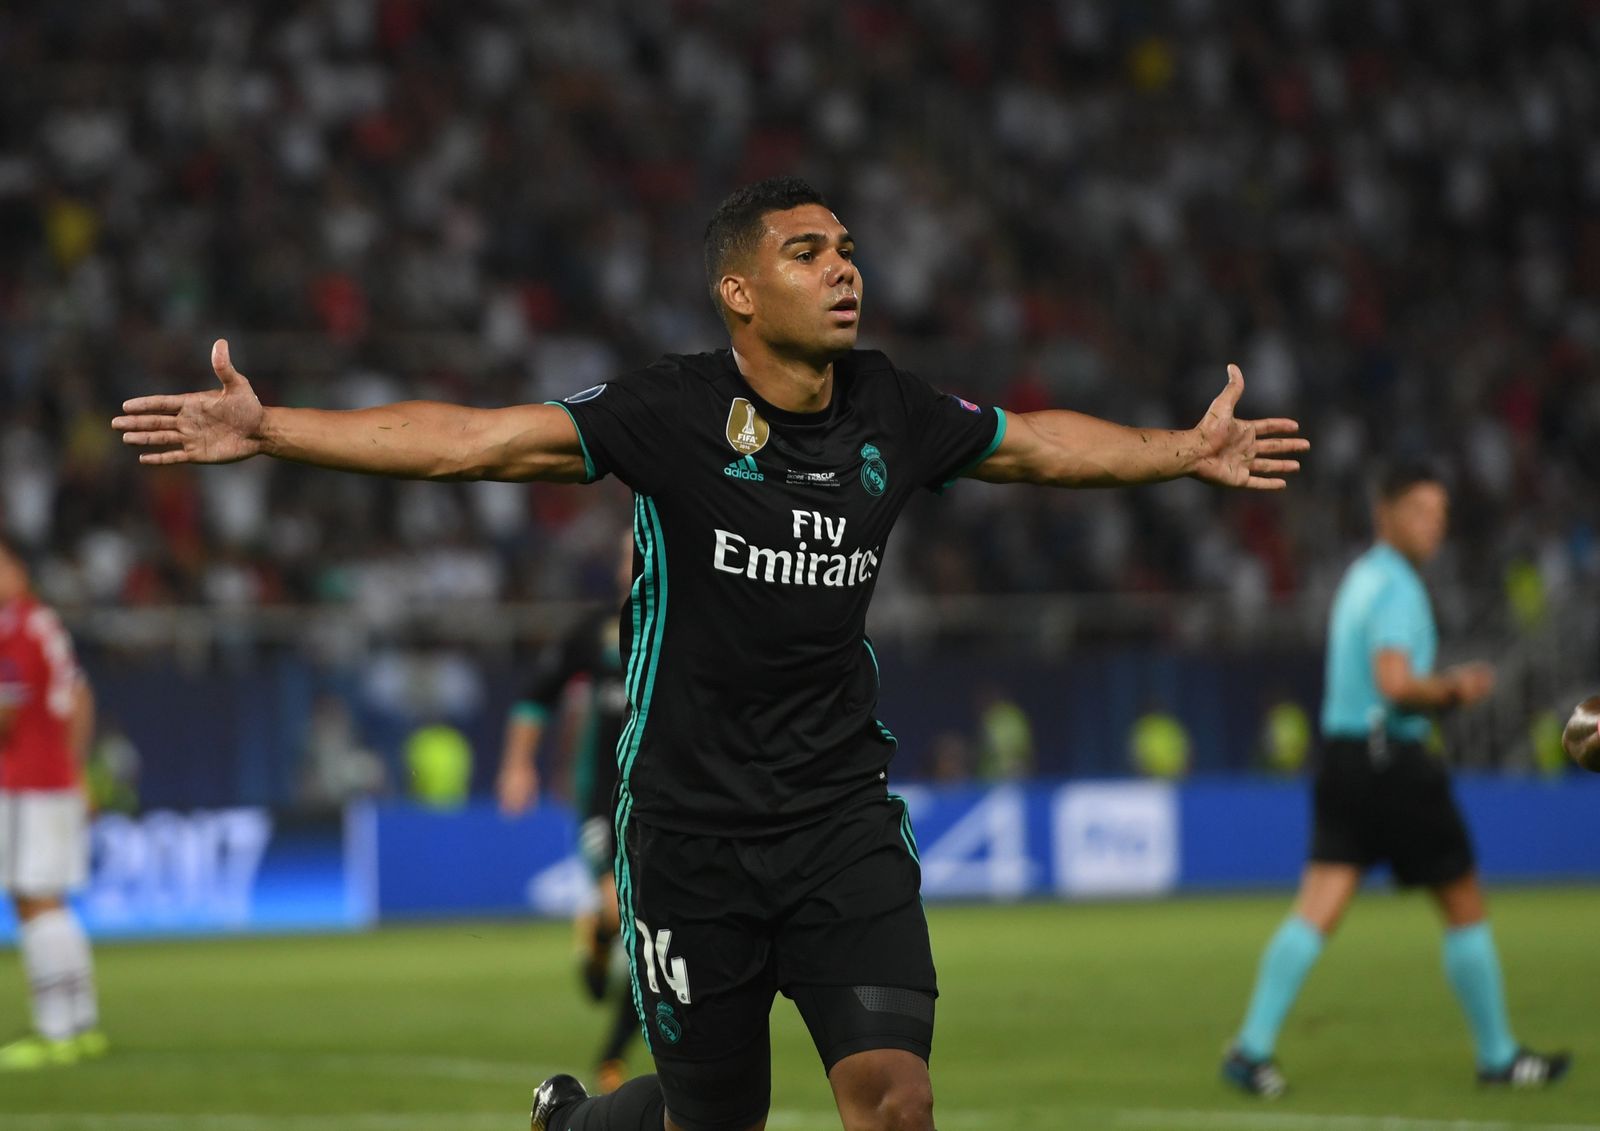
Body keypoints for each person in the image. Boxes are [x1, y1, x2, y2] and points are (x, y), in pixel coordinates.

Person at [114, 176, 1306, 1131]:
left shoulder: (889, 406)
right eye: (807, 251)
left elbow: (1036, 446)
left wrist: (1179, 450)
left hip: (840, 817)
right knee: (711, 1118)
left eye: (846, 247)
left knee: (897, 1102)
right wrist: (273, 430)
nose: (843, 267)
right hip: (690, 836)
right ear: (738, 292)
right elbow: (471, 442)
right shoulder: (669, 414)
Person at [1221, 464, 1569, 1098]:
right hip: (1392, 760)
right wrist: (1455, 688)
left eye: (1439, 513)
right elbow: (1395, 683)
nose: (1433, 525)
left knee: (1319, 905)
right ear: (1384, 513)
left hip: (1344, 756)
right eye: (1419, 511)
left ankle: (1251, 1048)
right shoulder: (1398, 589)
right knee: (1463, 901)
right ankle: (1498, 1056)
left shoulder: (1360, 577)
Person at [495, 531, 638, 1093]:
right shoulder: (594, 632)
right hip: (603, 802)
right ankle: (600, 933)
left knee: (655, 929)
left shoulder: (690, 624)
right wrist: (517, 766)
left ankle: (613, 1055)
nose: (635, 561)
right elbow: (536, 697)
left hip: (666, 802)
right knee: (621, 909)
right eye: (626, 553)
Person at [0, 536, 107, 1070]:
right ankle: (81, 1022)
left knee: (31, 898)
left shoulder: (14, 627)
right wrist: (76, 764)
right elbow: (81, 696)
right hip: (55, 777)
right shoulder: (44, 623)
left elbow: (8, 715)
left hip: (24, 782)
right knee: (52, 902)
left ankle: (55, 1031)